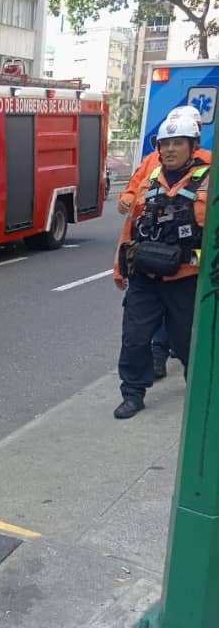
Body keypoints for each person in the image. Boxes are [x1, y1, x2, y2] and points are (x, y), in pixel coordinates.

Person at [112, 109, 210, 419]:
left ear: (193, 146)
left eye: (177, 143)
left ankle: (198, 392)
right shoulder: (148, 180)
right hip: (145, 276)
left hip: (185, 278)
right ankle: (132, 393)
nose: (169, 150)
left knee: (186, 341)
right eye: (165, 144)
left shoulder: (208, 182)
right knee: (134, 338)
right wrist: (120, 267)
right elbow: (131, 227)